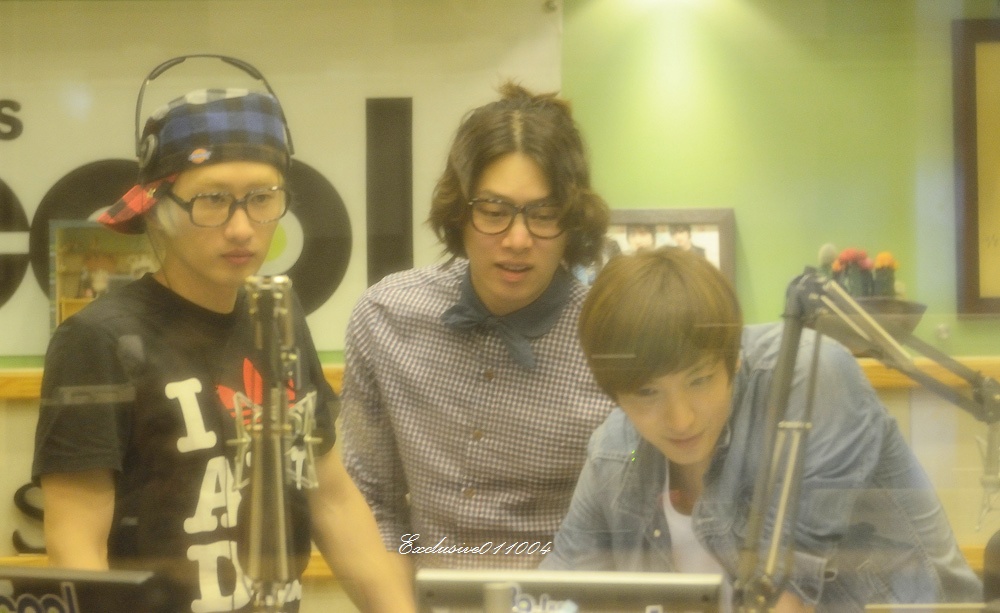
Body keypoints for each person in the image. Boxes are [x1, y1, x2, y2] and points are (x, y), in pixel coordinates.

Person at [32, 85, 414, 612]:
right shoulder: (98, 339)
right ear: (157, 209)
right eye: (211, 200)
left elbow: (330, 497)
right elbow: (76, 548)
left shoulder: (277, 314)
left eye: (262, 198)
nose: (241, 228)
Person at [542, 247, 982, 611]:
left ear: (733, 359)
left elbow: (787, 596)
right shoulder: (615, 452)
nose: (681, 419)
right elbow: (555, 590)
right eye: (646, 392)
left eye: (699, 380)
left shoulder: (810, 381)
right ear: (614, 394)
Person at [340, 81, 616, 570]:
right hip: (424, 597)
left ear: (572, 220)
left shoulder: (609, 336)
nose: (518, 239)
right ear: (458, 212)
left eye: (544, 215)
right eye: (494, 212)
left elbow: (637, 511)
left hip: (566, 597)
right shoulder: (385, 318)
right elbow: (370, 499)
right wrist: (400, 603)